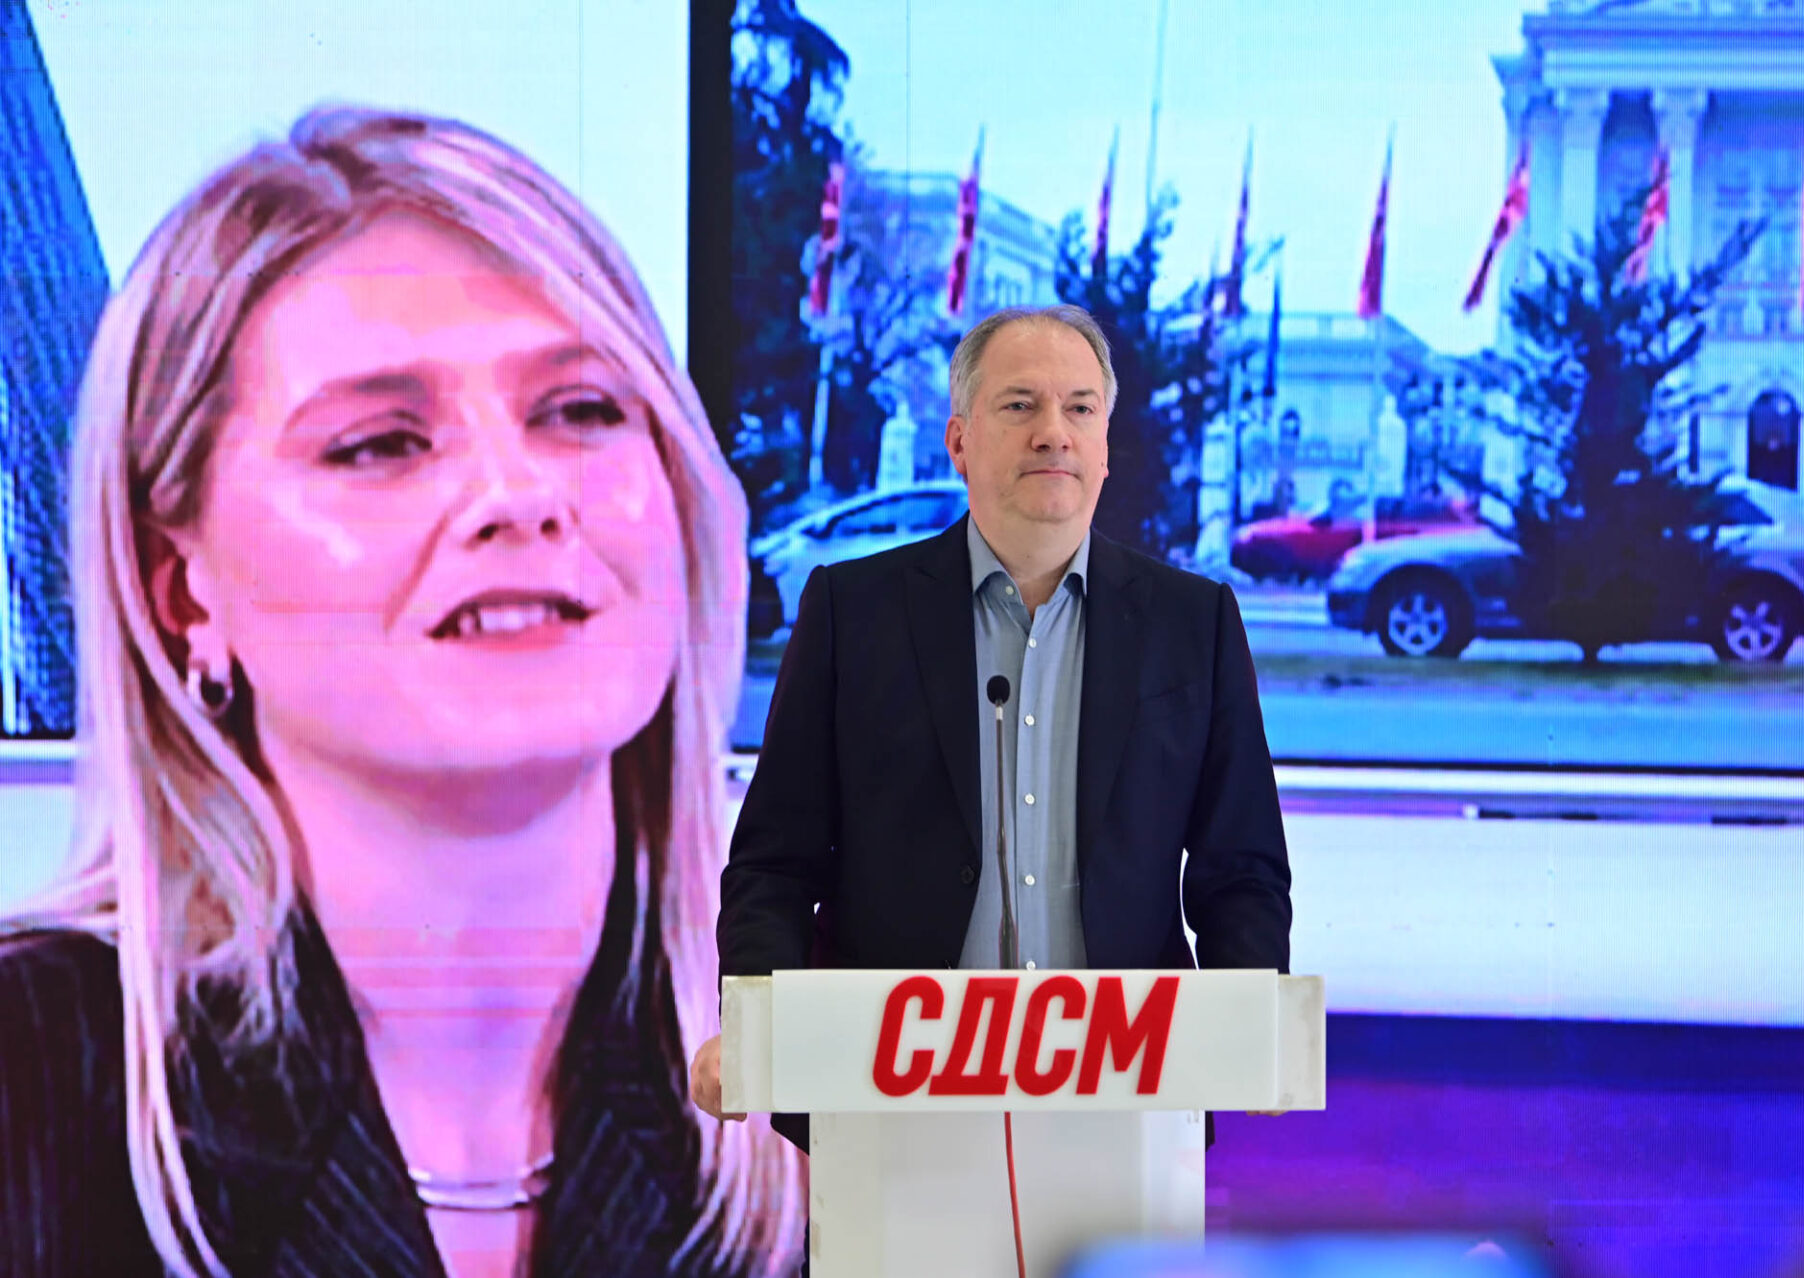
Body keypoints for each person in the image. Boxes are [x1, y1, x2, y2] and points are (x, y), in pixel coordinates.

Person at [0, 108, 803, 1278]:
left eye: (580, 411)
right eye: (380, 442)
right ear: (180, 592)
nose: (518, 495)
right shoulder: (31, 1081)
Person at [691, 304, 1292, 1146]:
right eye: (1020, 405)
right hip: (889, 1106)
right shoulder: (852, 614)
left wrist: (1248, 1021)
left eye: (1080, 408)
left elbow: (1242, 867)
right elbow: (775, 865)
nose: (1054, 433)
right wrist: (756, 1026)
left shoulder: (1194, 623)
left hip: (1128, 1107)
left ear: (1105, 445)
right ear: (959, 442)